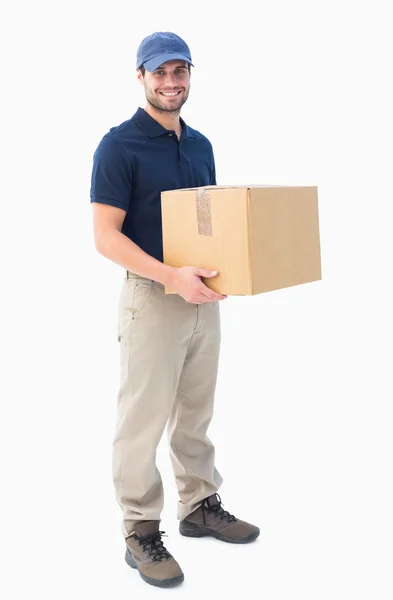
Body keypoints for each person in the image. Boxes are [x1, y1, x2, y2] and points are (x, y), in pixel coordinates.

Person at [90, 31, 260, 589]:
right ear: (140, 77)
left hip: (201, 298)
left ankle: (198, 505)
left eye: (179, 71)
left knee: (196, 410)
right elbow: (105, 237)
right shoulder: (119, 146)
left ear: (190, 75)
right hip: (153, 297)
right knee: (142, 419)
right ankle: (139, 528)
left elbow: (205, 225)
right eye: (159, 72)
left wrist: (225, 272)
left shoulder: (202, 144)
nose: (171, 82)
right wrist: (171, 279)